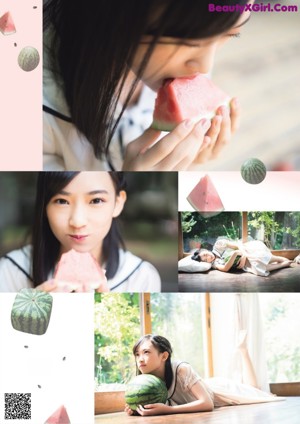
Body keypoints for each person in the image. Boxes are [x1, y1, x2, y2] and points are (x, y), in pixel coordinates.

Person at [43, 0, 253, 171]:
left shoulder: (183, 66)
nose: (206, 65)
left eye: (231, 34)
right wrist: (132, 181)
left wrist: (186, 162)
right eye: (189, 41)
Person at [0, 172, 161, 292]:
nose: (77, 222)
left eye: (96, 200)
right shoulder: (10, 271)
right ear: (44, 206)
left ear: (118, 203)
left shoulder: (141, 277)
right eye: (62, 201)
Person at [125, 334, 283, 416]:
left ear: (164, 356)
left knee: (259, 393)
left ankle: (243, 350)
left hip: (218, 391)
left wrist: (167, 410)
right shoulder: (145, 381)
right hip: (204, 391)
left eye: (146, 352)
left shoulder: (181, 369)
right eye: (137, 354)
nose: (140, 359)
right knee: (256, 391)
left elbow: (207, 404)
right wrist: (137, 408)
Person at [195, 238, 292, 276]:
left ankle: (279, 259)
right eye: (206, 259)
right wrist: (236, 255)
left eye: (205, 254)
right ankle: (283, 265)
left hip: (246, 249)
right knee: (257, 269)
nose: (208, 257)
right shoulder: (214, 264)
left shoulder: (218, 245)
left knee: (257, 257)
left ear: (205, 250)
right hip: (244, 262)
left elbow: (238, 245)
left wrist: (245, 255)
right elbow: (226, 268)